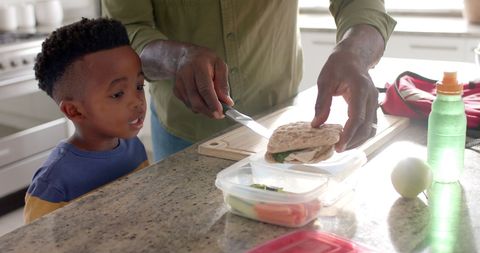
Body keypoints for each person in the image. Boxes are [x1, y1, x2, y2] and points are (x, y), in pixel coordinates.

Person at [102, 0, 396, 162]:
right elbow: (125, 29)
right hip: (183, 131)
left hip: (278, 111)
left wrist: (355, 51)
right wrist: (174, 57)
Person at [24, 18, 149, 224]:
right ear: (74, 110)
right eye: (118, 94)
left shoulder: (134, 148)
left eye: (139, 86)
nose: (137, 102)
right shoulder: (53, 184)